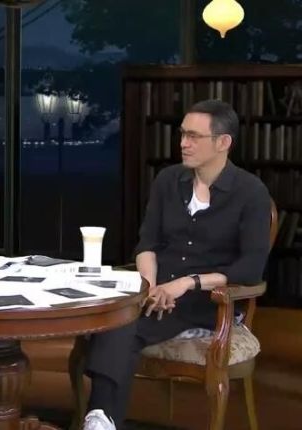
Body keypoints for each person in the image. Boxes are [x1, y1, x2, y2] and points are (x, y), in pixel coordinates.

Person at [81, 99, 272, 430]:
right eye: (182, 134)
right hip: (158, 291)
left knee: (122, 324)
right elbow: (147, 244)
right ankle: (101, 419)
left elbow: (251, 269)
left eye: (194, 136)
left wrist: (186, 283)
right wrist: (151, 286)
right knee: (113, 317)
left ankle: (100, 417)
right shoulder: (168, 180)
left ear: (223, 142)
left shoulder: (250, 192)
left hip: (208, 301)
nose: (183, 143)